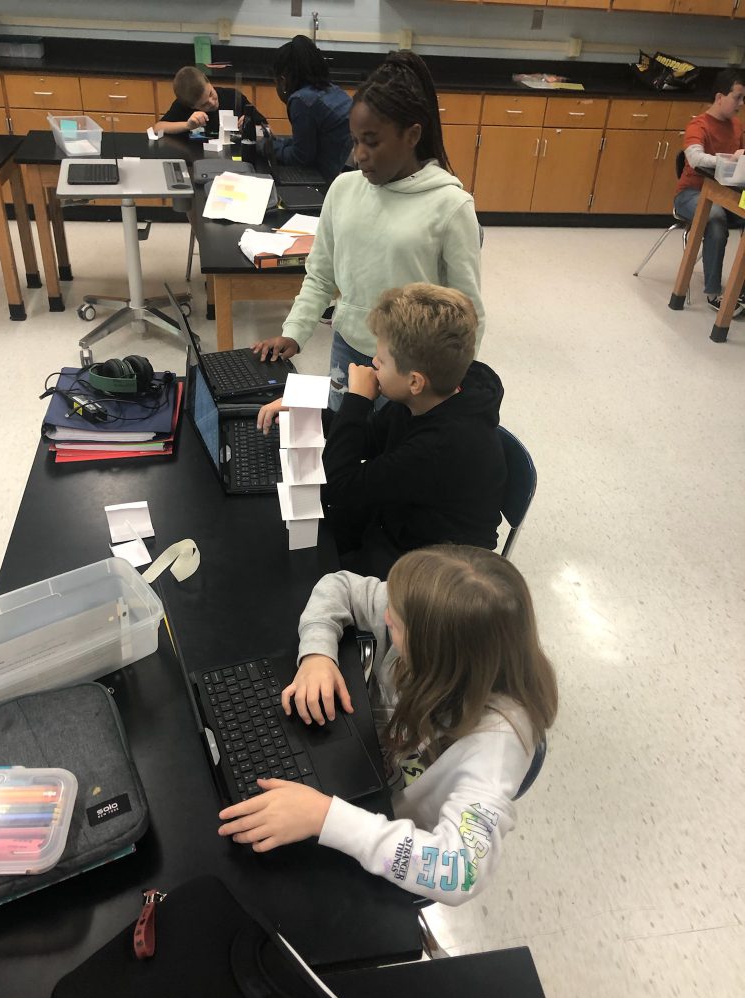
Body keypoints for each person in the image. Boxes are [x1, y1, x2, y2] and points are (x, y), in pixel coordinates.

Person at [218, 545, 558, 907]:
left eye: (395, 625)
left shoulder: (498, 744)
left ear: (435, 651)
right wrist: (318, 654)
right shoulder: (434, 629)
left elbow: (459, 874)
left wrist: (324, 817)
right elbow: (341, 586)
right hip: (374, 768)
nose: (384, 617)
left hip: (398, 834)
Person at [251, 50, 484, 410]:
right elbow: (320, 275)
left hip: (415, 371)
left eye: (372, 141)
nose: (359, 154)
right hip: (350, 348)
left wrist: (453, 383)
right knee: (348, 444)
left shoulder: (450, 206)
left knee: (395, 459)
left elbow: (468, 312)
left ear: (412, 135)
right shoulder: (343, 190)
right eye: (355, 140)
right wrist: (293, 332)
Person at [259, 283, 505, 580]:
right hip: (403, 518)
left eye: (382, 360)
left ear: (415, 381)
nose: (372, 363)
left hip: (433, 569)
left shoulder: (441, 446)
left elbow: (340, 488)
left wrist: (358, 399)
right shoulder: (426, 397)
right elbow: (368, 438)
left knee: (299, 573)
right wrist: (307, 410)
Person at [674, 68, 745, 318]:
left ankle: (740, 290)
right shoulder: (699, 124)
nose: (741, 104)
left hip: (725, 195)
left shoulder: (737, 126)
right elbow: (694, 158)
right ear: (719, 97)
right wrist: (729, 159)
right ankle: (714, 293)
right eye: (737, 97)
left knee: (726, 212)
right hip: (691, 194)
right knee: (714, 219)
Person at [266, 34, 353, 183]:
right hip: (352, 169)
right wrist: (279, 143)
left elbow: (300, 158)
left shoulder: (301, 101)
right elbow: (306, 143)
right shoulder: (330, 90)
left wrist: (268, 148)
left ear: (283, 81)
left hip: (335, 177)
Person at [153, 66, 267, 136]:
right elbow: (157, 128)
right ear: (192, 107)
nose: (212, 102)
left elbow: (268, 130)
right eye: (204, 104)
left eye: (211, 94)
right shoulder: (182, 105)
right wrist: (187, 125)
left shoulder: (233, 97)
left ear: (209, 83)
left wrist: (251, 128)